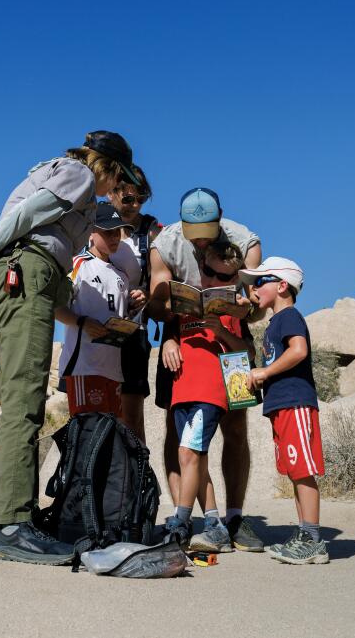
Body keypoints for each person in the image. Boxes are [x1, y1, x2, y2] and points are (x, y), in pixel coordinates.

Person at [0, 130, 141, 565]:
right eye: (118, 180)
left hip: (23, 279)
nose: (116, 190)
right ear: (107, 167)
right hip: (22, 273)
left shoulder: (79, 193)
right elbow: (25, 216)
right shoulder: (77, 173)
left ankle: (19, 518)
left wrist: (82, 321)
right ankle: (13, 527)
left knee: (23, 398)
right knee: (25, 403)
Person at [148, 187, 265, 552]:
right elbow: (157, 302)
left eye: (206, 235)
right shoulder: (165, 245)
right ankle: (186, 514)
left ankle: (233, 517)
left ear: (220, 221)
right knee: (179, 429)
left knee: (235, 426)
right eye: (192, 235)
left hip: (231, 339)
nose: (198, 245)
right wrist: (167, 336)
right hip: (180, 338)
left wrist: (246, 304)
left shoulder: (245, 242)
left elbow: (257, 308)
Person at [162, 242, 254, 553]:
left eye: (223, 277)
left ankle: (181, 520)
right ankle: (214, 524)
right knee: (191, 457)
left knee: (189, 452)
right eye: (208, 272)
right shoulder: (186, 303)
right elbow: (172, 330)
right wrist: (169, 342)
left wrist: (223, 331)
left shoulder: (232, 308)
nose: (213, 281)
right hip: (182, 387)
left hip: (211, 391)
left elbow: (247, 352)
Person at [242, 257, 328, 565]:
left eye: (260, 281)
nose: (254, 287)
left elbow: (299, 350)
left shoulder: (289, 316)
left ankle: (314, 539)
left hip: (296, 402)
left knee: (303, 471)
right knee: (294, 472)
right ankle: (305, 534)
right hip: (281, 405)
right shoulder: (273, 322)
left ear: (281, 286)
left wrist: (264, 373)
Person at [53, 203, 135, 417]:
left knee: (110, 437)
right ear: (91, 231)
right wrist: (82, 322)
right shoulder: (77, 264)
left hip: (113, 369)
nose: (115, 237)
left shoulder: (122, 276)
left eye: (118, 231)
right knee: (87, 434)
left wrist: (135, 307)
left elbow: (119, 315)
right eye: (108, 231)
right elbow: (55, 306)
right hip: (84, 367)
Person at [105, 166, 160, 440]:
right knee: (96, 414)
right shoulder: (91, 221)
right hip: (94, 331)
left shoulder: (150, 230)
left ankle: (136, 480)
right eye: (128, 199)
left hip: (133, 333)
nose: (135, 205)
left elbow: (161, 277)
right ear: (111, 193)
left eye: (141, 198)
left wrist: (147, 295)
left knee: (132, 417)